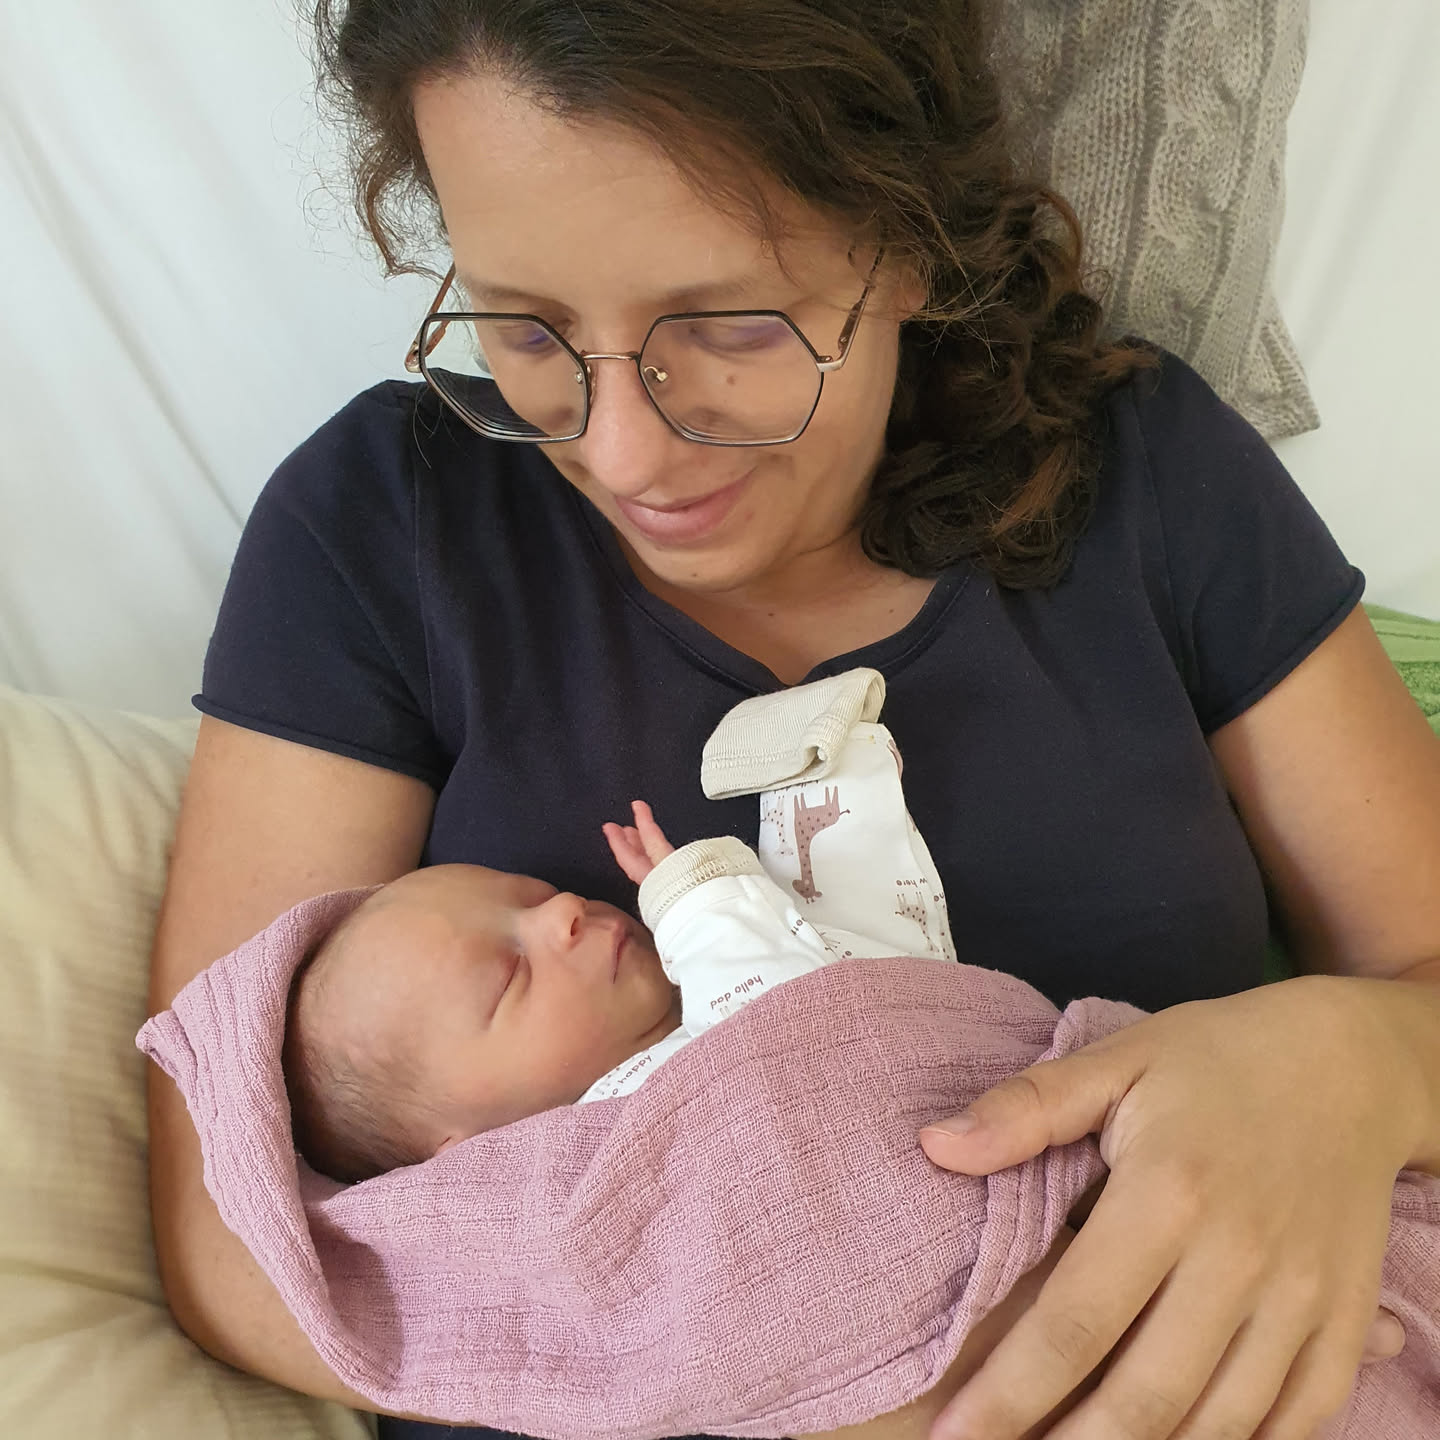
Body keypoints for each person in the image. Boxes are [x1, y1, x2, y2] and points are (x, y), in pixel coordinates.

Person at [145, 1, 1440, 1438]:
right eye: (526, 328)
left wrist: (1349, 1060)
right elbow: (233, 1237)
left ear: (907, 245)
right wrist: (881, 1389)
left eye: (730, 326)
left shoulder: (1152, 481)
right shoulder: (386, 531)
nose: (622, 452)